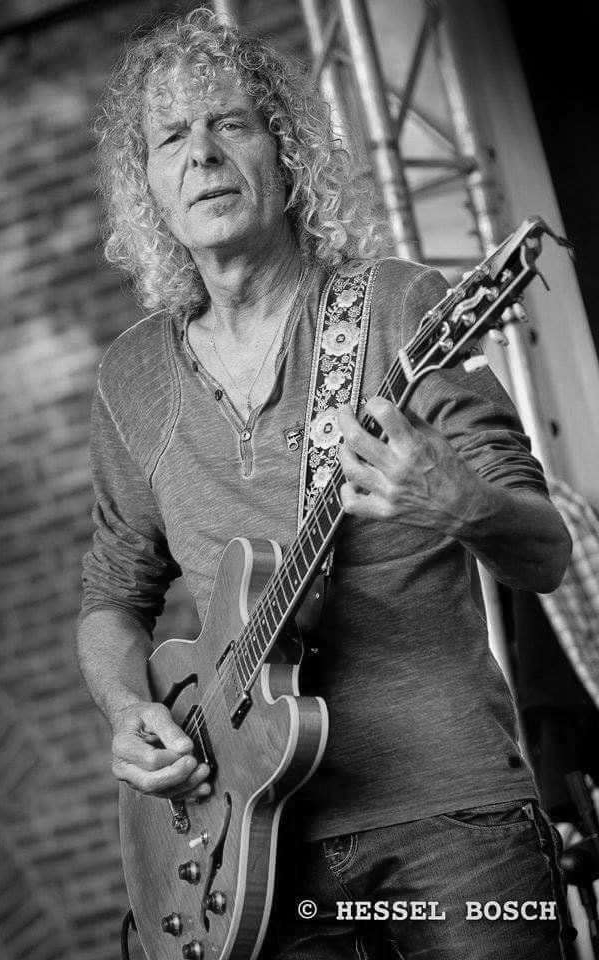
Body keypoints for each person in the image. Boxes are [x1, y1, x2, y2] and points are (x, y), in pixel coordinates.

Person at [77, 9, 573, 959]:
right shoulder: (131, 377)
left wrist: (460, 502)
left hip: (450, 827)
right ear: (149, 188)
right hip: (242, 858)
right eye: (171, 137)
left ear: (287, 152)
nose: (202, 154)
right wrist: (129, 709)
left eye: (230, 123)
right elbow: (111, 598)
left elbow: (546, 554)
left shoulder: (401, 307)